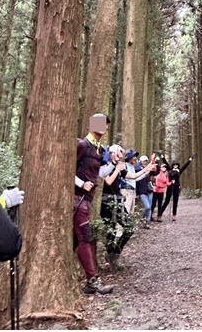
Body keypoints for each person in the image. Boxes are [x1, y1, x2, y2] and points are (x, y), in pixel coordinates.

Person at [74, 113, 115, 294]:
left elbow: (100, 174)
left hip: (88, 200)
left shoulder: (100, 150)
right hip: (77, 199)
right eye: (99, 122)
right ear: (91, 125)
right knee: (85, 237)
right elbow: (65, 169)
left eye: (105, 123)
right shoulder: (82, 145)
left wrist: (114, 164)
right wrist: (81, 183)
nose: (103, 125)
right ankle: (92, 280)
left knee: (77, 239)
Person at [100, 145, 136, 271]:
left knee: (129, 227)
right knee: (111, 230)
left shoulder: (118, 166)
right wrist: (117, 169)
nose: (120, 156)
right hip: (106, 202)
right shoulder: (104, 164)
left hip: (117, 200)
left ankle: (114, 254)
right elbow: (107, 181)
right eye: (119, 153)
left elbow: (132, 176)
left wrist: (147, 169)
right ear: (112, 152)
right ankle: (111, 257)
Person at [160, 156, 193, 221]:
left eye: (176, 165)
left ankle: (174, 214)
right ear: (172, 165)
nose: (175, 166)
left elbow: (185, 166)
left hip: (176, 187)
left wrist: (190, 160)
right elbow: (165, 163)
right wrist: (163, 157)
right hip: (170, 186)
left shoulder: (179, 170)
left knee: (175, 201)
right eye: (174, 165)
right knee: (167, 201)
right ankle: (160, 213)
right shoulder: (170, 169)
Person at [135, 155, 154, 228]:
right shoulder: (137, 169)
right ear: (140, 161)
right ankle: (144, 220)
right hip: (142, 191)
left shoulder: (149, 169)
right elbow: (136, 182)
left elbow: (156, 171)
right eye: (143, 161)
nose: (145, 162)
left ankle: (146, 222)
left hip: (149, 190)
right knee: (147, 207)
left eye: (146, 161)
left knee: (149, 207)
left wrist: (153, 160)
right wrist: (136, 193)